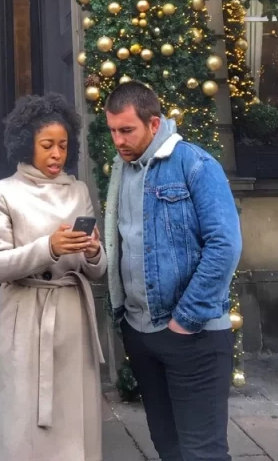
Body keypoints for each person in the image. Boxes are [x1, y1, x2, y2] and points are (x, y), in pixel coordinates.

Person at [103, 81, 242, 461]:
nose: (118, 140)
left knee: (203, 453)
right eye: (112, 130)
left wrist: (186, 320)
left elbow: (225, 245)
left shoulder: (195, 164)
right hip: (142, 334)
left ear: (154, 123)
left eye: (126, 130)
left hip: (192, 336)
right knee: (170, 448)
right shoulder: (123, 170)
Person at [0, 94, 107, 461]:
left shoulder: (78, 190)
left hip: (72, 314)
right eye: (47, 145)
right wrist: (48, 247)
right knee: (26, 417)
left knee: (74, 414)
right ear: (26, 145)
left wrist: (93, 251)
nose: (57, 155)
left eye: (63, 146)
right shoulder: (0, 193)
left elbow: (96, 271)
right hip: (25, 314)